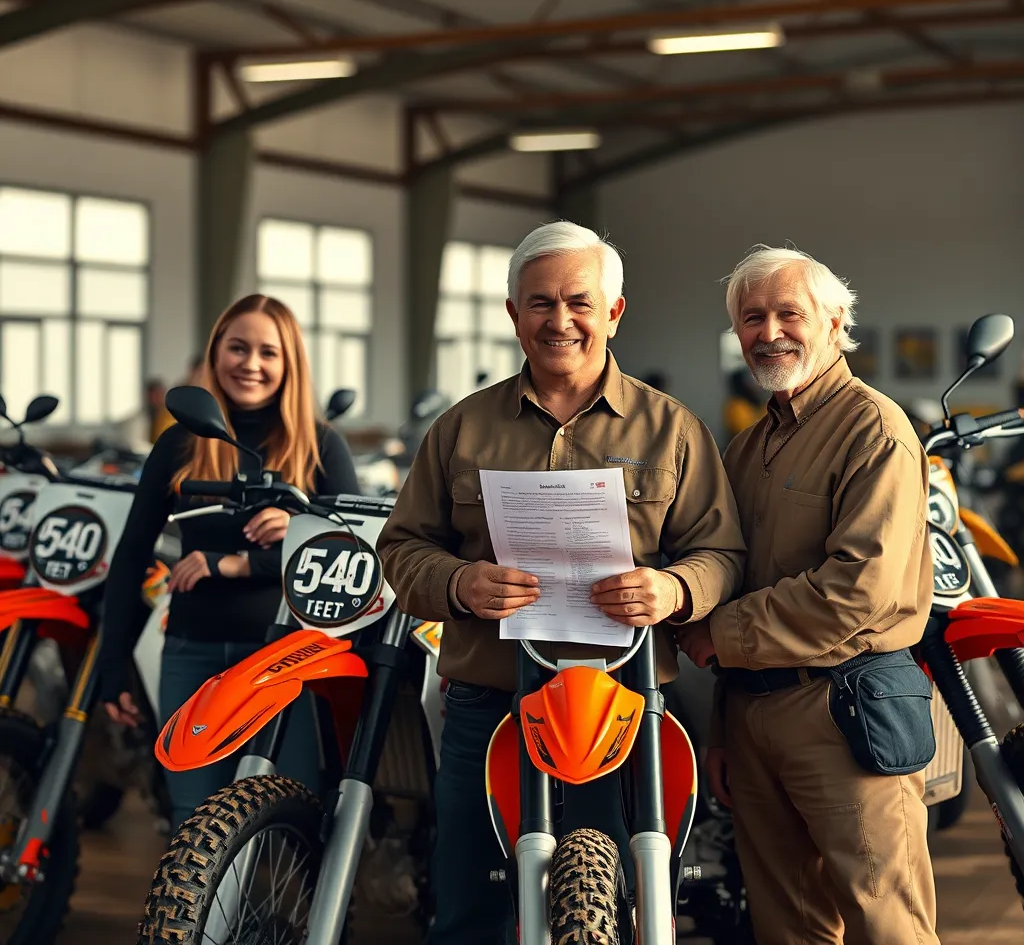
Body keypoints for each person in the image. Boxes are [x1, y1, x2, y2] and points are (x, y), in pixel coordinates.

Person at [377, 220, 746, 944]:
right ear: (513, 314)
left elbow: (722, 553)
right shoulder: (460, 430)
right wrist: (459, 583)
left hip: (623, 706)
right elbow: (402, 547)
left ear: (614, 311)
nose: (560, 320)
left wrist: (671, 591)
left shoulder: (671, 431)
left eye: (579, 301)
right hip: (488, 709)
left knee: (615, 904)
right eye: (539, 303)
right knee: (467, 911)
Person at [677, 246, 939, 945]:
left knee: (889, 923)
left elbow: (859, 591)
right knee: (785, 928)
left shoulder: (873, 430)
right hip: (753, 716)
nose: (769, 332)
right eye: (751, 318)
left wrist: (720, 635)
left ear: (834, 319)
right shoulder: (745, 450)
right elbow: (732, 574)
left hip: (844, 709)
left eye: (787, 313)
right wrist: (723, 732)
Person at [98, 293, 360, 830]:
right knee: (191, 821)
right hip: (190, 651)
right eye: (237, 347)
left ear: (290, 363)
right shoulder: (181, 442)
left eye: (268, 352)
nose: (251, 363)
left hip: (287, 659)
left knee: (291, 818)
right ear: (216, 353)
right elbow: (130, 555)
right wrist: (111, 664)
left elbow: (356, 553)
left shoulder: (321, 448)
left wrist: (292, 534)